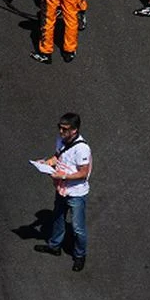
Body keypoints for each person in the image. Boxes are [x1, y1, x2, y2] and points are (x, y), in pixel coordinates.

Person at [34, 112, 91, 271]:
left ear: (74, 130)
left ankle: (80, 255)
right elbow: (57, 157)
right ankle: (54, 246)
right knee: (58, 218)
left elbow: (83, 173)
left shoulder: (82, 149)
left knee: (78, 228)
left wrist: (63, 175)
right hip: (61, 189)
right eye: (59, 127)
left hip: (76, 193)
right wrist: (46, 163)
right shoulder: (61, 140)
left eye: (64, 129)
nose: (60, 132)